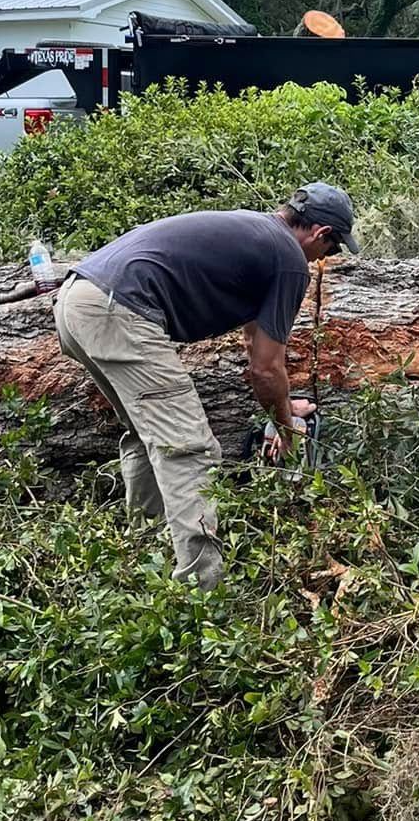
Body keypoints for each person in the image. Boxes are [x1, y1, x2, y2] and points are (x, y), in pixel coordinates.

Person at [51, 183, 359, 592]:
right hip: (118, 312)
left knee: (149, 437)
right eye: (333, 249)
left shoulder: (257, 232)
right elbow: (266, 369)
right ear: (321, 234)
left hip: (77, 300)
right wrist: (286, 429)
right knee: (189, 448)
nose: (327, 258)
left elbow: (256, 347)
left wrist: (283, 407)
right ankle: (202, 592)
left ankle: (144, 552)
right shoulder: (288, 259)